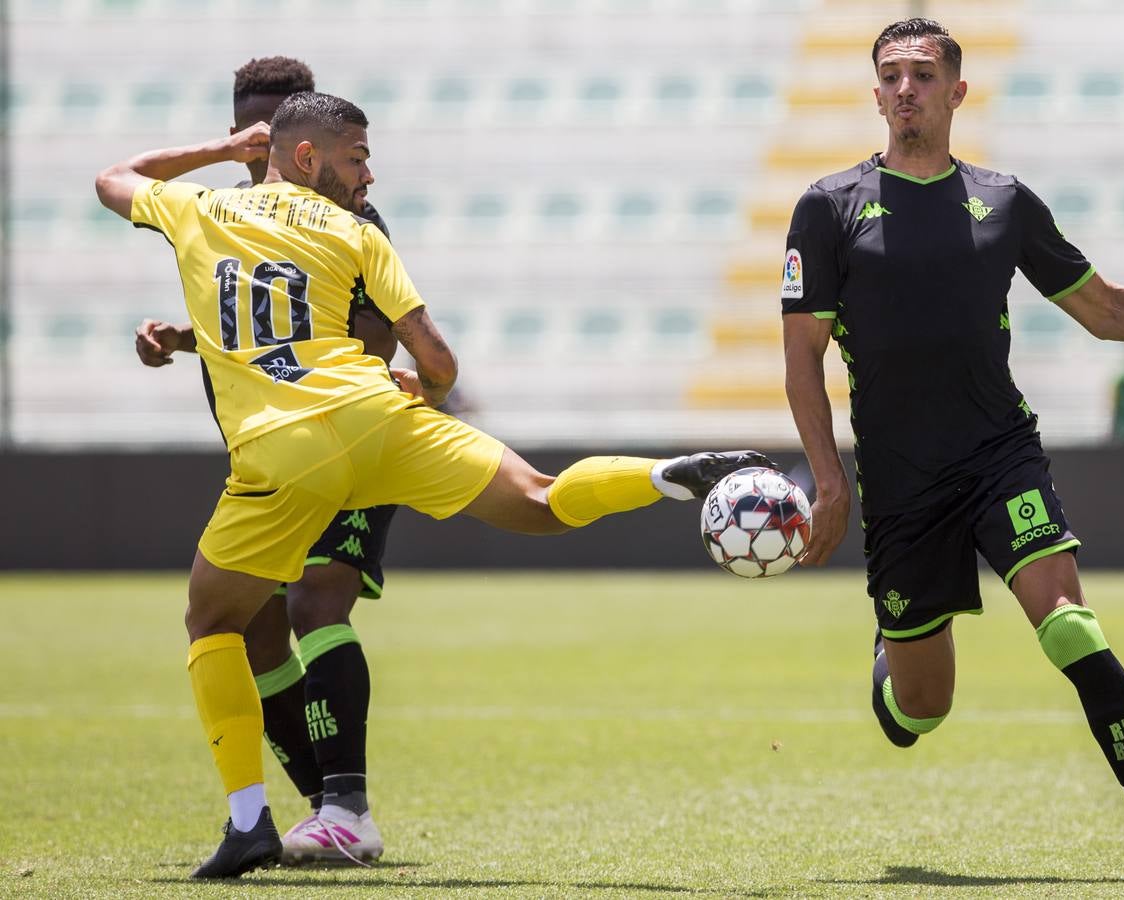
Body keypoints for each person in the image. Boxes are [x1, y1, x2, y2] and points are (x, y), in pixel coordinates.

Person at [95, 90, 769, 879]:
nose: (368, 172)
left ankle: (249, 821)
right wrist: (428, 395)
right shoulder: (354, 232)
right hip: (378, 417)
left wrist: (224, 146)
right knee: (543, 501)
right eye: (357, 157)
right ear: (308, 157)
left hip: (278, 450)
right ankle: (665, 474)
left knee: (213, 618)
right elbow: (440, 362)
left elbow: (114, 176)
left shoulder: (200, 208)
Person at [780, 17, 1124, 882]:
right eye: (891, 75)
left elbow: (1108, 311)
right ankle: (891, 664)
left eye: (923, 74)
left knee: (1069, 626)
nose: (905, 88)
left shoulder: (1004, 202)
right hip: (903, 485)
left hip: (999, 456)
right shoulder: (827, 206)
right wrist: (829, 481)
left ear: (958, 92)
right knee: (919, 714)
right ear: (874, 92)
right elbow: (800, 353)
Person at [135, 56, 399, 867]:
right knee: (253, 632)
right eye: (249, 129)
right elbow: (248, 321)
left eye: (277, 126)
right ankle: (325, 810)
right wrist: (182, 339)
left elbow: (381, 334)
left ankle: (347, 806)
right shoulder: (224, 214)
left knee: (318, 602)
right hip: (269, 454)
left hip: (347, 435)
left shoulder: (352, 213)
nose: (265, 144)